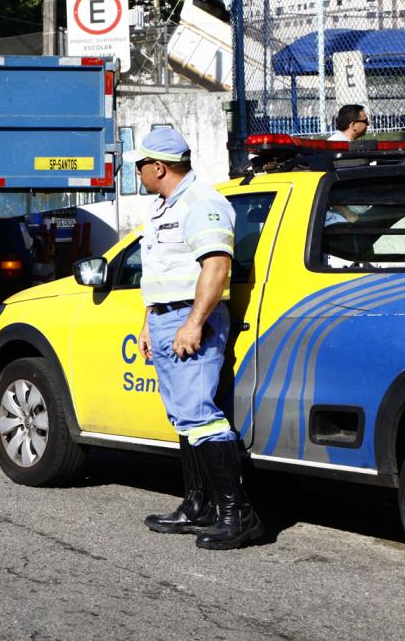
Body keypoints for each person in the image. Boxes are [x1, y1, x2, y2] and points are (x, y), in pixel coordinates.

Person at [135, 128, 263, 550]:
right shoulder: (163, 207)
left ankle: (236, 513)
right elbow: (162, 273)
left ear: (158, 167)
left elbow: (216, 267)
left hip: (193, 320)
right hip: (167, 319)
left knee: (200, 415)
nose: (136, 172)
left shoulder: (201, 203)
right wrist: (149, 321)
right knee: (184, 417)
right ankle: (198, 507)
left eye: (140, 165)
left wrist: (192, 323)